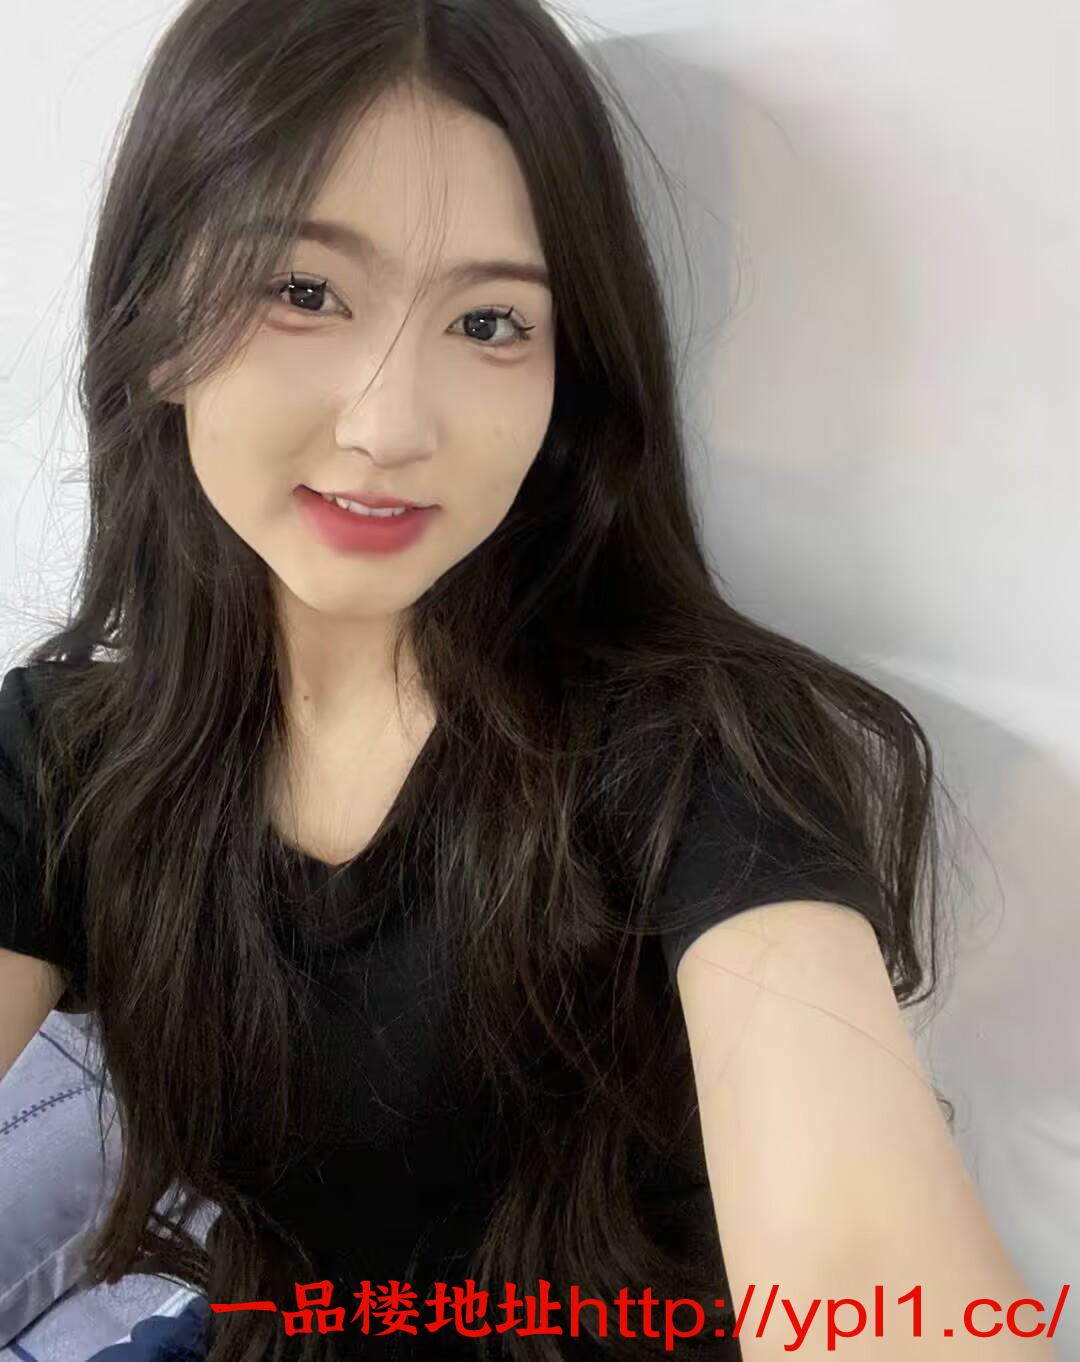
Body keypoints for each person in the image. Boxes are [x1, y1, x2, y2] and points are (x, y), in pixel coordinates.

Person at [0, 1, 1053, 1360]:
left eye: (490, 321)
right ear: (157, 322)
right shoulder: (65, 749)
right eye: (303, 291)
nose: (389, 423)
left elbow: (869, 1266)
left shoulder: (700, 748)